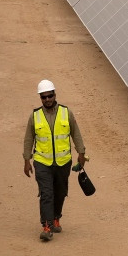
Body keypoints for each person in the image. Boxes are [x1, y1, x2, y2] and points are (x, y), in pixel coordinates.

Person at [23, 79, 87, 241]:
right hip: (42, 162)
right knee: (46, 194)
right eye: (43, 97)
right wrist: (26, 160)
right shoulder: (35, 116)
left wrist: (81, 153)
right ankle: (47, 226)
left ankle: (56, 217)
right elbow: (28, 139)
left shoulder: (66, 113)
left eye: (49, 96)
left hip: (63, 162)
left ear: (54, 95)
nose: (47, 100)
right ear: (40, 98)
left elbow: (76, 133)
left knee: (60, 193)